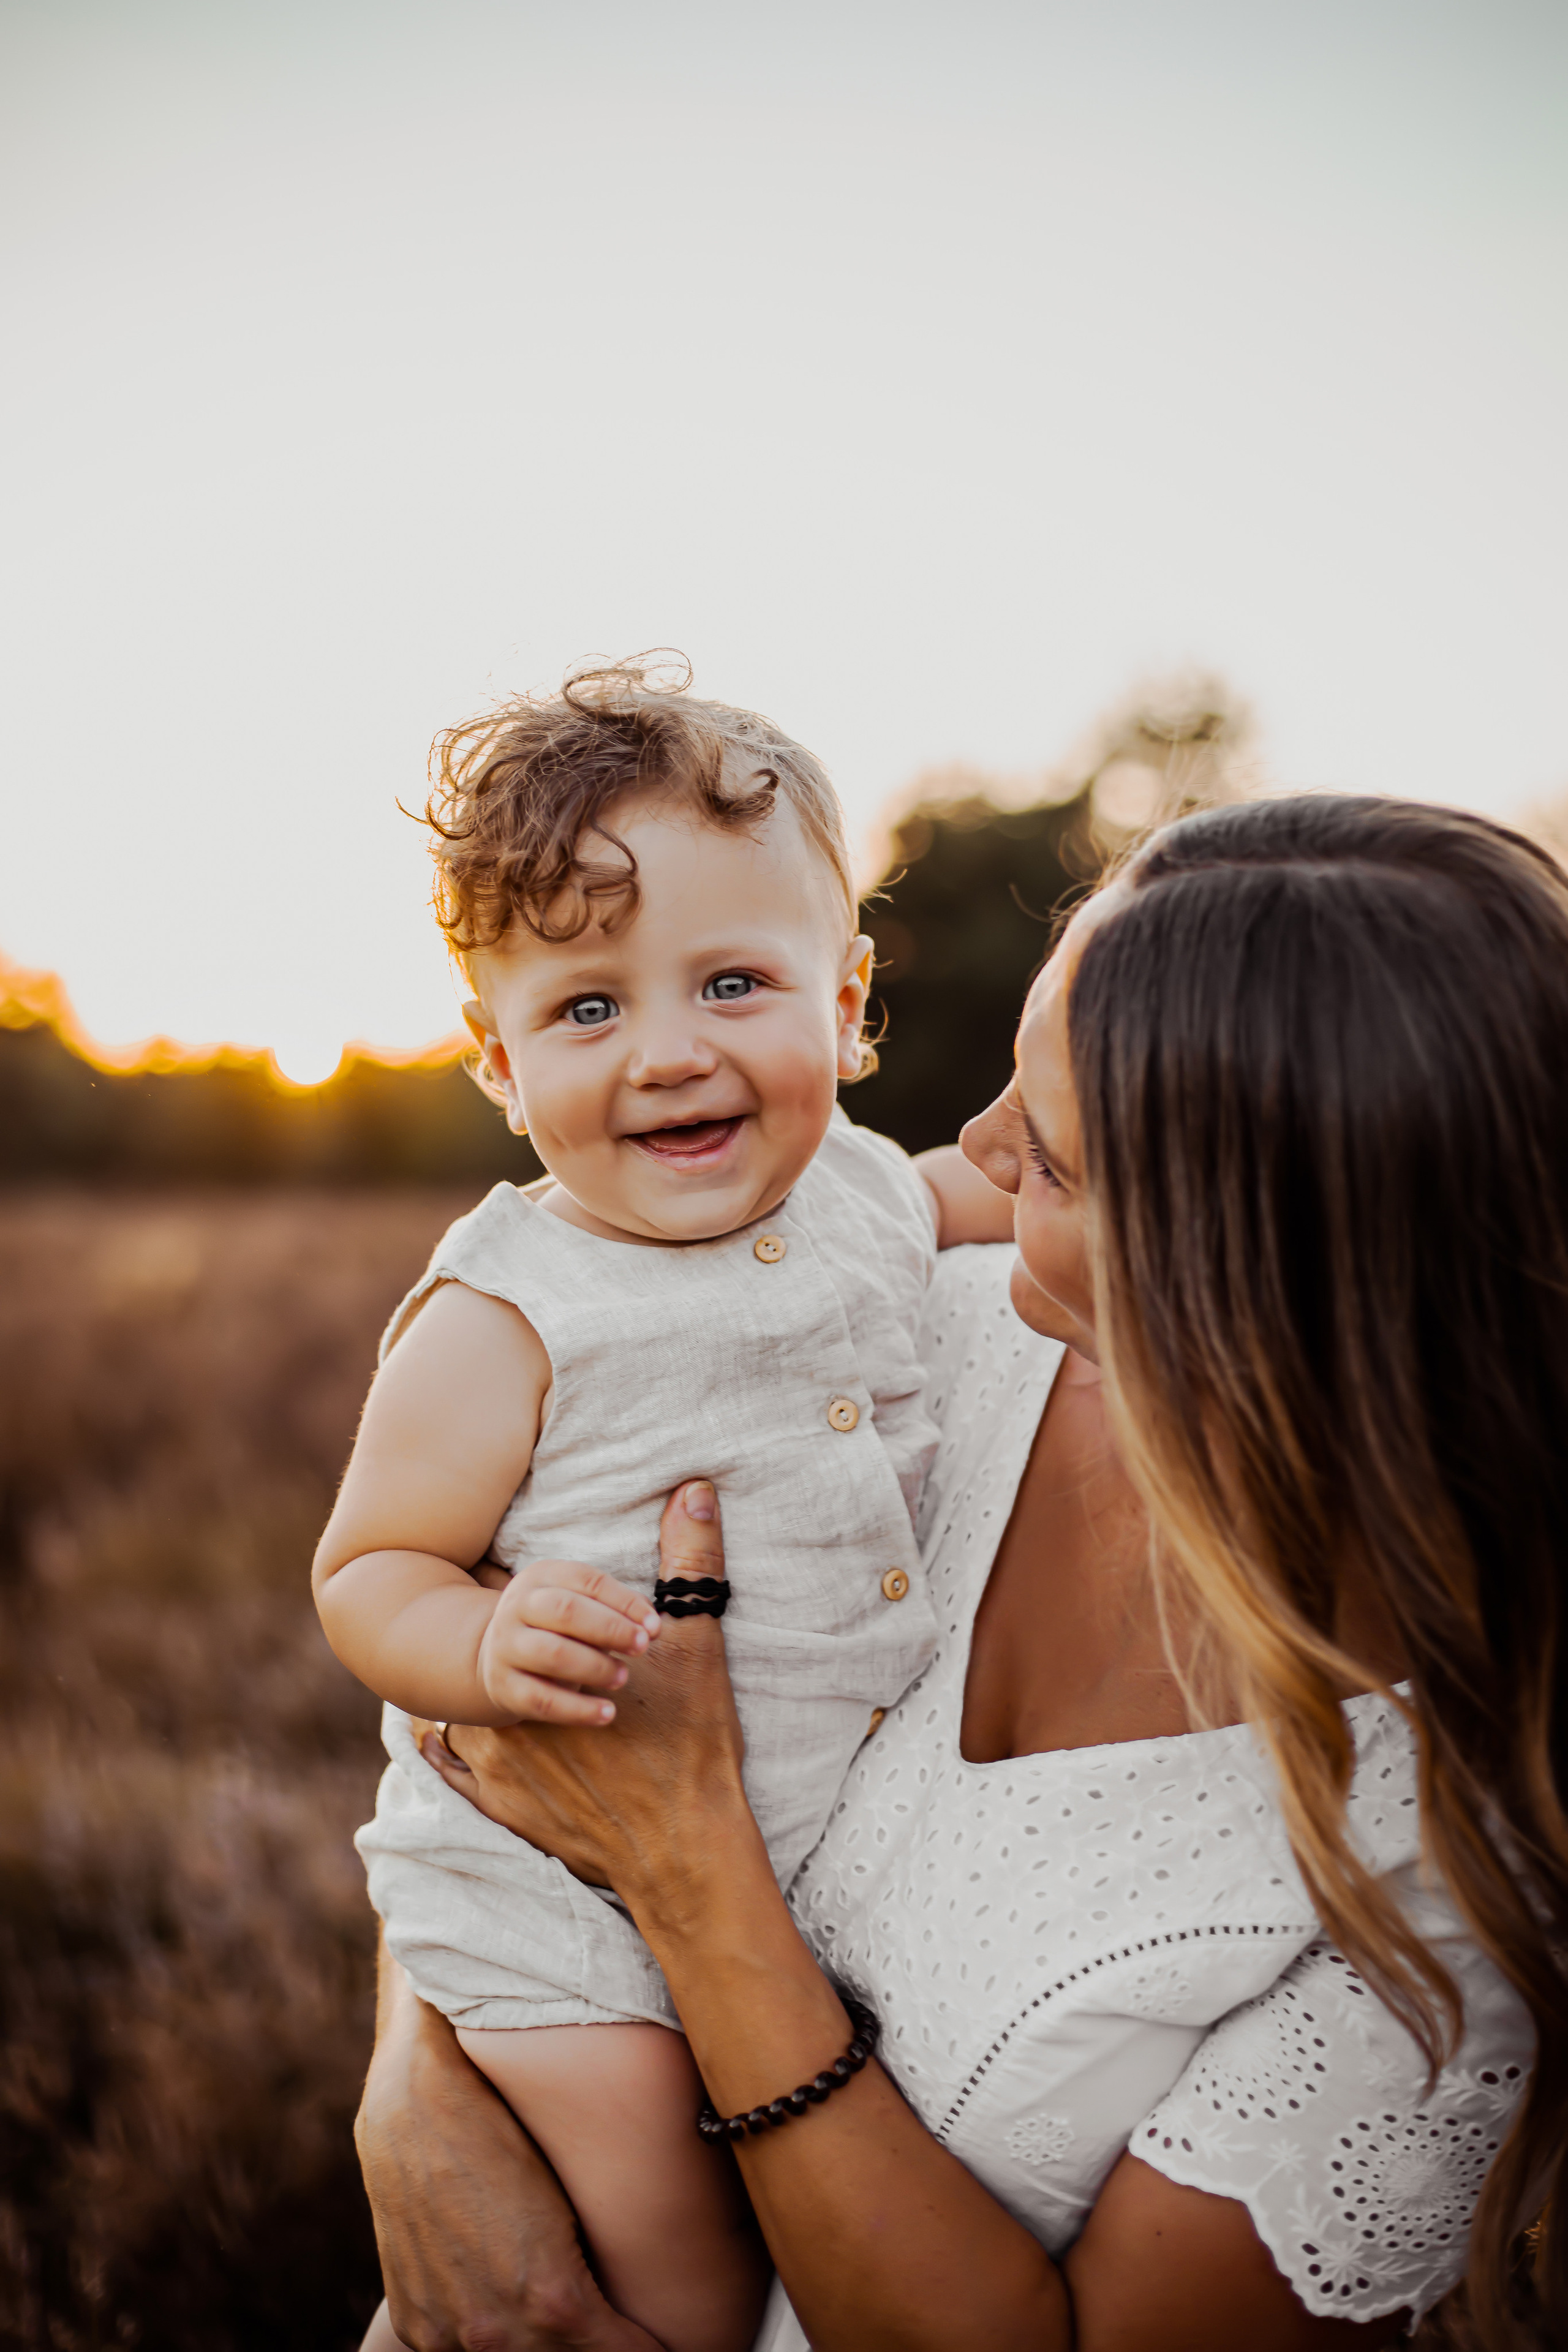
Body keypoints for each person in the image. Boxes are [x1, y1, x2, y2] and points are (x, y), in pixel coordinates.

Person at [357, 794, 1566, 2350]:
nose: (971, 1149)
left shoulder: (1452, 1884)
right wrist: (421, 2085)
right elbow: (486, 1690)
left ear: (1239, 1279)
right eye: (1009, 1083)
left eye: (1047, 1158)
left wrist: (693, 1871)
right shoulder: (915, 1340)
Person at [313, 661, 1011, 2352]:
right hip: (550, 1895)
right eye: (586, 1010)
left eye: (730, 982)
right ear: (497, 1060)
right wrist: (482, 1634)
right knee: (678, 2265)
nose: (669, 1054)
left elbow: (984, 1190)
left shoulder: (862, 1187)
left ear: (846, 1002)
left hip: (778, 1859)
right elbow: (367, 1569)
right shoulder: (508, 1313)